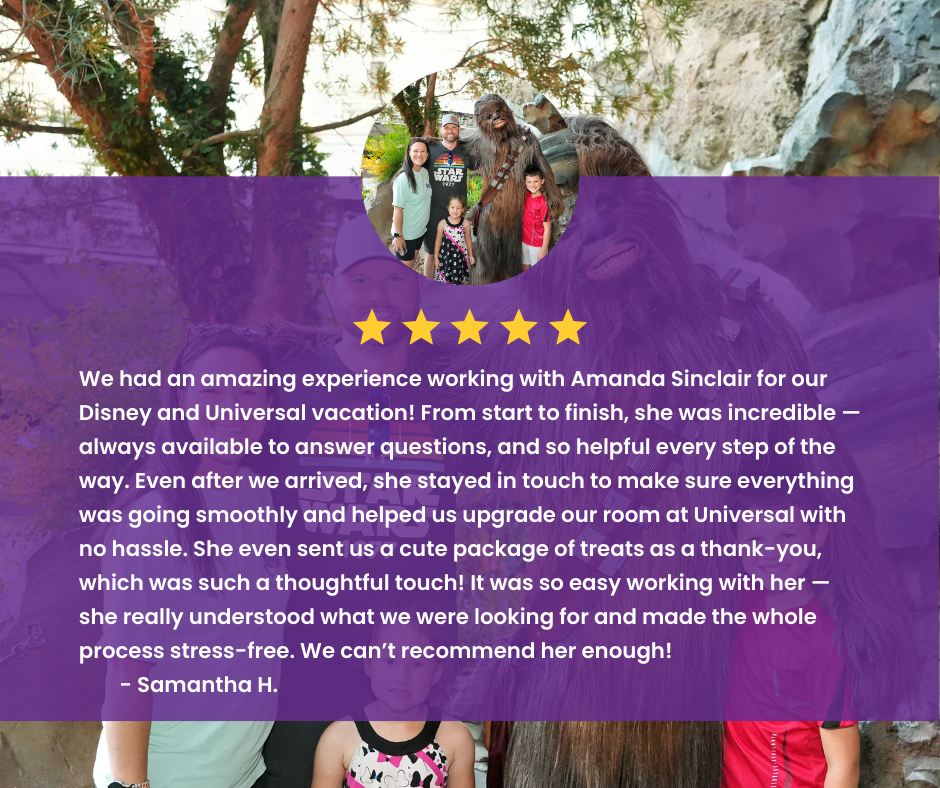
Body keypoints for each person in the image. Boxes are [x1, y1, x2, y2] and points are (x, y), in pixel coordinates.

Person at [252, 214, 456, 788]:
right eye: (361, 281)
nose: (380, 296)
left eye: (395, 279)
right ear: (331, 288)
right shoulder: (284, 392)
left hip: (413, 665)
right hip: (305, 655)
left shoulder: (454, 393)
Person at [93, 326, 290, 788]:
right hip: (163, 776)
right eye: (212, 390)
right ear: (181, 399)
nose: (232, 408)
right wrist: (131, 784)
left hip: (237, 774)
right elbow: (127, 668)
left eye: (249, 392)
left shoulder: (258, 499)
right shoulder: (153, 518)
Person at [722, 490, 860, 788]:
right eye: (755, 540)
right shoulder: (739, 601)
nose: (772, 552)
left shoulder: (823, 643)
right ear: (735, 543)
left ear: (818, 536)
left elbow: (844, 765)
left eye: (787, 536)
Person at [310, 619, 475, 788]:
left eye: (417, 664)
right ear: (369, 664)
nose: (401, 678)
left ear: (436, 672)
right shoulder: (338, 738)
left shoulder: (456, 738)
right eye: (390, 661)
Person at [423, 114, 478, 279]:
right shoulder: (431, 151)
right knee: (432, 252)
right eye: (447, 127)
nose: (450, 131)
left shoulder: (465, 152)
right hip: (434, 209)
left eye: (454, 127)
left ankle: (450, 284)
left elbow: (482, 169)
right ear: (441, 129)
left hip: (457, 211)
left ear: (459, 129)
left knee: (455, 250)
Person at [391, 138, 432, 266]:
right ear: (409, 153)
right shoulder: (403, 179)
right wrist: (398, 236)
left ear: (427, 154)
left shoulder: (424, 173)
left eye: (423, 151)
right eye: (415, 151)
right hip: (406, 234)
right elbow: (398, 209)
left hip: (419, 232)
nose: (419, 154)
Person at [432, 195, 474, 284]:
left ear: (463, 209)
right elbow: (438, 241)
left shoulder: (466, 224)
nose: (455, 211)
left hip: (459, 259)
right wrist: (436, 258)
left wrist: (471, 256)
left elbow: (468, 240)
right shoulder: (442, 223)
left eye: (458, 208)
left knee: (457, 280)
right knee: (445, 281)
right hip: (445, 258)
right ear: (448, 208)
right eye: (452, 207)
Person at [520, 166, 551, 270]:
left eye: (536, 181)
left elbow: (547, 228)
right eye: (529, 182)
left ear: (542, 181)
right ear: (525, 182)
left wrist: (544, 249)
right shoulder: (526, 195)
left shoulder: (543, 203)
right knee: (525, 264)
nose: (532, 185)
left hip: (537, 244)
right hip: (525, 240)